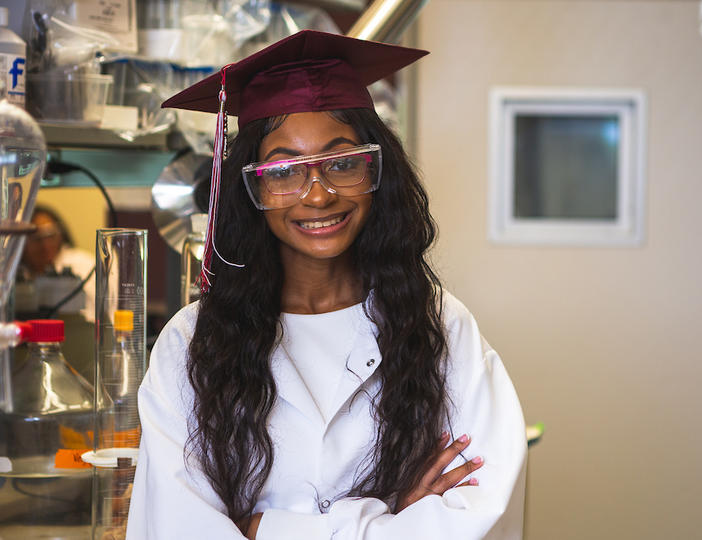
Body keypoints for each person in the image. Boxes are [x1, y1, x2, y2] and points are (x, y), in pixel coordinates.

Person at [127, 30, 526, 539]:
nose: (318, 194)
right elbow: (176, 524)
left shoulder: (442, 326)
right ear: (251, 189)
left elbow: (483, 505)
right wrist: (392, 519)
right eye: (285, 170)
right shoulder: (191, 342)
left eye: (341, 163)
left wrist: (262, 530)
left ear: (378, 168)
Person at [20, 205, 96, 321]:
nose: (45, 245)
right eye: (37, 238)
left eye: (50, 235)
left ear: (61, 234)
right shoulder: (17, 273)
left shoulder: (82, 264)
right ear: (22, 243)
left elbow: (93, 317)